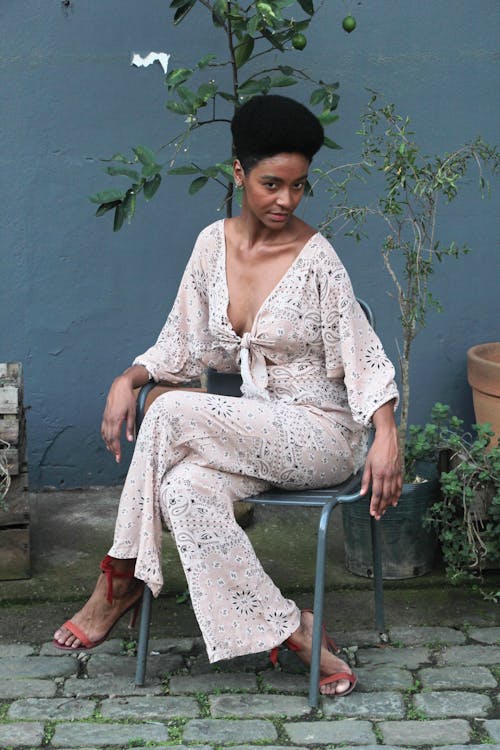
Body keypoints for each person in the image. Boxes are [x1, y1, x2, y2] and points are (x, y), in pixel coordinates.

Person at [53, 95, 402, 697]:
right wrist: (128, 378)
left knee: (169, 409)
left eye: (298, 187)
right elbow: (179, 346)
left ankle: (120, 579)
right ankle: (291, 628)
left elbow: (364, 358)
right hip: (253, 436)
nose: (285, 201)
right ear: (238, 172)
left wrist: (388, 434)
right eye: (271, 183)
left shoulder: (317, 260)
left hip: (321, 435)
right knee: (184, 489)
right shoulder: (210, 247)